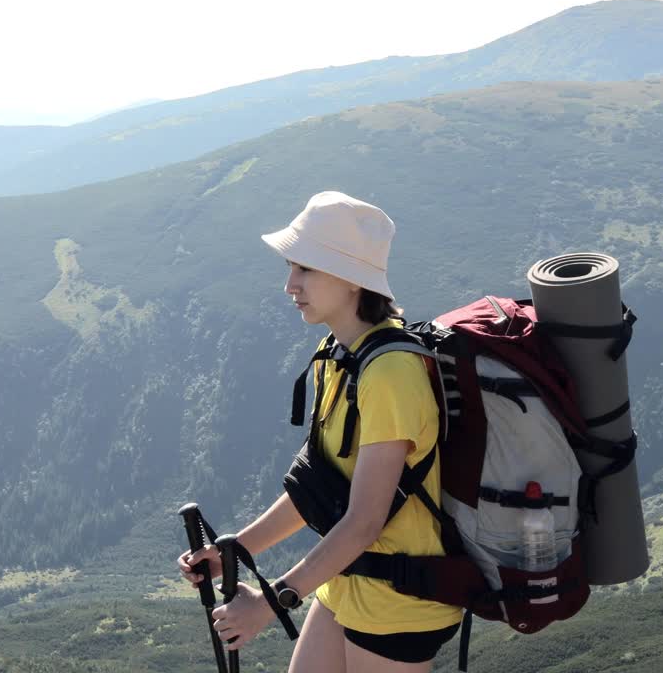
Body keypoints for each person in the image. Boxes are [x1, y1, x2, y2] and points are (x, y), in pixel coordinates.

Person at [178, 191, 462, 672]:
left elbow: (365, 520)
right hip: (352, 579)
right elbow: (320, 489)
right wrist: (236, 551)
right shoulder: (338, 356)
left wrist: (269, 604)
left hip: (398, 602)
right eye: (291, 267)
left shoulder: (391, 374)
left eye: (305, 268)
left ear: (353, 280)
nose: (290, 284)